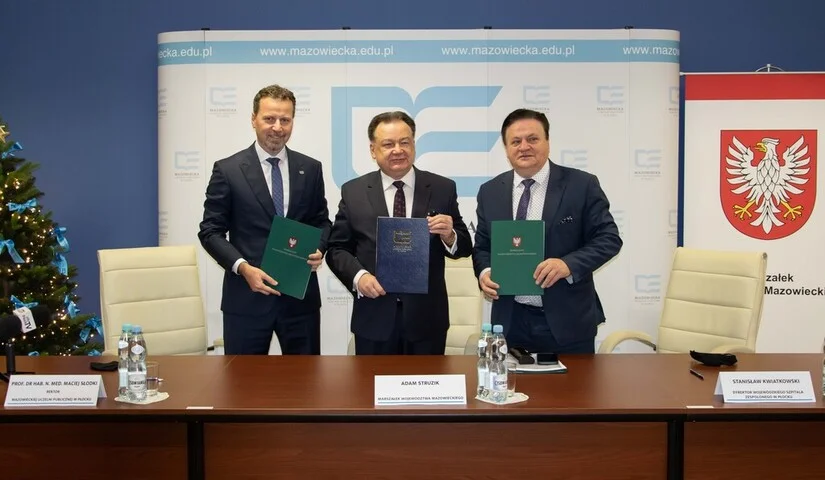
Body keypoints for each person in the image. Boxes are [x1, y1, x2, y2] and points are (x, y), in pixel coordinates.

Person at [472, 108, 622, 354]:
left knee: (575, 382)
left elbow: (609, 239)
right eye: (516, 141)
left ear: (547, 142)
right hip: (510, 322)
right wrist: (485, 272)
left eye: (532, 139)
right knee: (510, 380)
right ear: (506, 149)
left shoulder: (581, 185)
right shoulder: (490, 191)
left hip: (568, 322)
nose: (524, 147)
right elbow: (482, 246)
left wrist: (568, 265)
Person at [198, 84, 331, 355]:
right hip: (246, 299)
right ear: (253, 119)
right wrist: (243, 268)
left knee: (305, 379)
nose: (277, 127)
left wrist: (319, 248)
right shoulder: (228, 170)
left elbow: (322, 222)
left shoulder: (310, 168)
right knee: (242, 380)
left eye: (285, 119)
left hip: (300, 301)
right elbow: (210, 231)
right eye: (269, 118)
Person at [326, 111, 472, 355]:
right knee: (370, 381)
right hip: (374, 316)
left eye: (404, 142)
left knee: (429, 381)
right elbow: (337, 249)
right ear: (373, 150)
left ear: (413, 144)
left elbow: (464, 247)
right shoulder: (354, 191)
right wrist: (359, 277)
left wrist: (450, 235)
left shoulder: (442, 187)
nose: (398, 150)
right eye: (388, 144)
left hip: (427, 320)